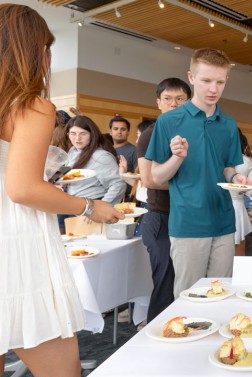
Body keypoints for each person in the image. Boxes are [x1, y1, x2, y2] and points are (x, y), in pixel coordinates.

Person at [0, 4, 122, 375]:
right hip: (16, 247)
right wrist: (89, 207)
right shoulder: (31, 106)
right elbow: (21, 189)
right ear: (32, 50)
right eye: (47, 47)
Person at [146, 49, 250, 298]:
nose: (213, 89)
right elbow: (157, 177)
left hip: (224, 222)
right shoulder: (169, 121)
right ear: (191, 77)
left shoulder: (229, 125)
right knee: (189, 300)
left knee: (222, 295)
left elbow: (228, 168)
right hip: (188, 224)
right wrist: (176, 157)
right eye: (206, 81)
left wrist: (236, 179)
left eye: (220, 82)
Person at [135, 78, 190, 322]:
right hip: (161, 218)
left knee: (186, 283)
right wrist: (194, 186)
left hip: (189, 217)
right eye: (167, 99)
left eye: (180, 99)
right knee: (165, 284)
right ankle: (154, 336)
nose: (174, 104)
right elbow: (148, 179)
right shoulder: (150, 135)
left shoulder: (193, 132)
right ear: (158, 103)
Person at [64, 116, 126, 205]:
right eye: (73, 133)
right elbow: (66, 169)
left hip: (92, 204)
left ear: (92, 135)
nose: (77, 138)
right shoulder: (73, 150)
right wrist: (55, 179)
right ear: (68, 134)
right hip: (72, 203)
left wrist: (101, 207)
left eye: (83, 133)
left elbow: (118, 185)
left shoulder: (101, 156)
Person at [232, 130, 252, 256]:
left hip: (215, 205)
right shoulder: (247, 161)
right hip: (237, 206)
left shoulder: (216, 158)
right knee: (238, 253)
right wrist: (242, 190)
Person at [109, 115, 137, 201]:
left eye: (123, 129)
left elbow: (140, 178)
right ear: (110, 131)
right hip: (108, 196)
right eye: (116, 129)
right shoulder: (106, 151)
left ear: (128, 132)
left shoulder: (135, 151)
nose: (119, 132)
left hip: (127, 199)